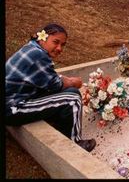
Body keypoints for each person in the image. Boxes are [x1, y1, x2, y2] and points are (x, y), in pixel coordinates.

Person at [5, 23, 96, 152]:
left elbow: (49, 80)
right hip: (12, 108)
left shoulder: (32, 48)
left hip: (15, 100)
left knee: (68, 92)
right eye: (56, 42)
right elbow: (56, 85)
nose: (59, 48)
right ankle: (74, 145)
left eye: (62, 45)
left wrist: (66, 81)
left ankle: (60, 126)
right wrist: (73, 81)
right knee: (72, 98)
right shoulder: (38, 55)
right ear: (43, 38)